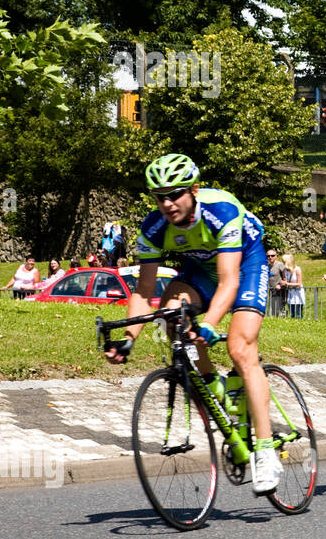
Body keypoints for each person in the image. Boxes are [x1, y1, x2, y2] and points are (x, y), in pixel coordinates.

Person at [102, 153, 281, 494]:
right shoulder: (154, 228)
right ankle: (214, 385)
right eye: (160, 197)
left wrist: (211, 323)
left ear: (194, 190)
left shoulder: (221, 212)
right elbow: (143, 290)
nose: (168, 204)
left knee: (240, 348)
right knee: (172, 312)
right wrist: (128, 340)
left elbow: (229, 282)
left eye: (176, 194)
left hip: (244, 266)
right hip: (202, 270)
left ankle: (266, 451)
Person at [281, 253, 304, 318]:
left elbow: (299, 283)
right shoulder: (284, 270)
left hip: (298, 294)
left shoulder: (297, 269)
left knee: (298, 313)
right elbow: (285, 280)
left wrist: (288, 284)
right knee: (292, 313)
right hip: (290, 293)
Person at [266, 249, 287, 316]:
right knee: (272, 312)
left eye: (272, 255)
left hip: (280, 292)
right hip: (271, 292)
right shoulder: (267, 266)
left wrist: (280, 286)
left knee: (279, 313)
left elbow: (285, 279)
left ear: (276, 256)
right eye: (268, 256)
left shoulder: (280, 265)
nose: (270, 257)